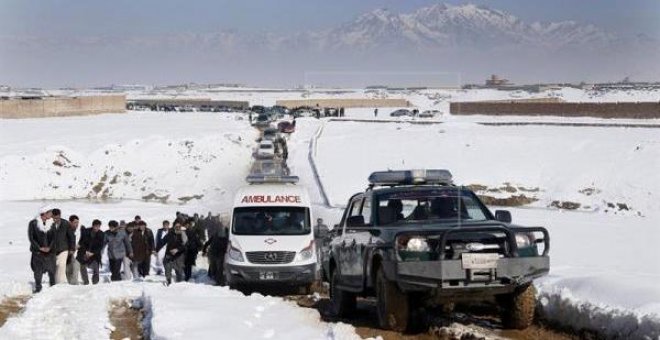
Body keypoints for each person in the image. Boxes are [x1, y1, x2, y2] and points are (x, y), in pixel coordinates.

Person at [28, 206, 55, 292]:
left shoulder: (52, 223)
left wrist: (49, 247)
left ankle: (53, 287)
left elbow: (54, 237)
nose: (51, 214)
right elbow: (31, 238)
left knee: (52, 270)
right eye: (50, 212)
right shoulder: (33, 223)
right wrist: (40, 248)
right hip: (37, 251)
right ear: (44, 213)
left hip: (50, 252)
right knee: (38, 271)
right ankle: (38, 288)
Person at [50, 208, 75, 284]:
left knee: (61, 266)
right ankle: (56, 283)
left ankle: (60, 284)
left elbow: (71, 236)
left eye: (57, 218)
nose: (55, 220)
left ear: (60, 216)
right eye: (54, 218)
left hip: (63, 249)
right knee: (55, 267)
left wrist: (72, 248)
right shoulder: (48, 224)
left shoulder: (66, 224)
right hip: (52, 250)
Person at [77, 219, 105, 285]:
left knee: (96, 268)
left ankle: (95, 282)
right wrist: (85, 251)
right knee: (82, 266)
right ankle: (86, 281)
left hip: (95, 254)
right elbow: (82, 242)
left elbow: (100, 246)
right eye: (95, 226)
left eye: (98, 226)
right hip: (84, 252)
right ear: (93, 226)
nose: (97, 228)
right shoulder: (86, 231)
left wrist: (93, 253)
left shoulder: (101, 234)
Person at [65, 215, 83, 285]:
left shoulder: (77, 230)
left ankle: (74, 285)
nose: (77, 224)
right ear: (70, 222)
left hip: (73, 254)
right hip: (65, 253)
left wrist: (78, 246)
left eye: (77, 222)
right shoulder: (66, 230)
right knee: (68, 270)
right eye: (75, 222)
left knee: (75, 268)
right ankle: (72, 285)